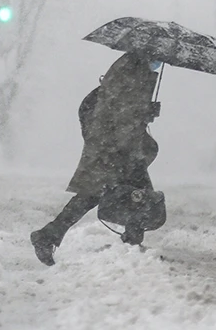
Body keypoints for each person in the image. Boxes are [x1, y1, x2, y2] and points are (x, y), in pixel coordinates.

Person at [30, 52, 161, 266]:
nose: (160, 62)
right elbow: (119, 110)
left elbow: (123, 109)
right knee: (130, 192)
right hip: (114, 145)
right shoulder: (130, 70)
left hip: (117, 143)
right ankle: (131, 246)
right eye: (158, 57)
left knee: (117, 192)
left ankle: (49, 235)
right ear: (149, 52)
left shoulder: (135, 68)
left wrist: (145, 112)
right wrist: (144, 112)